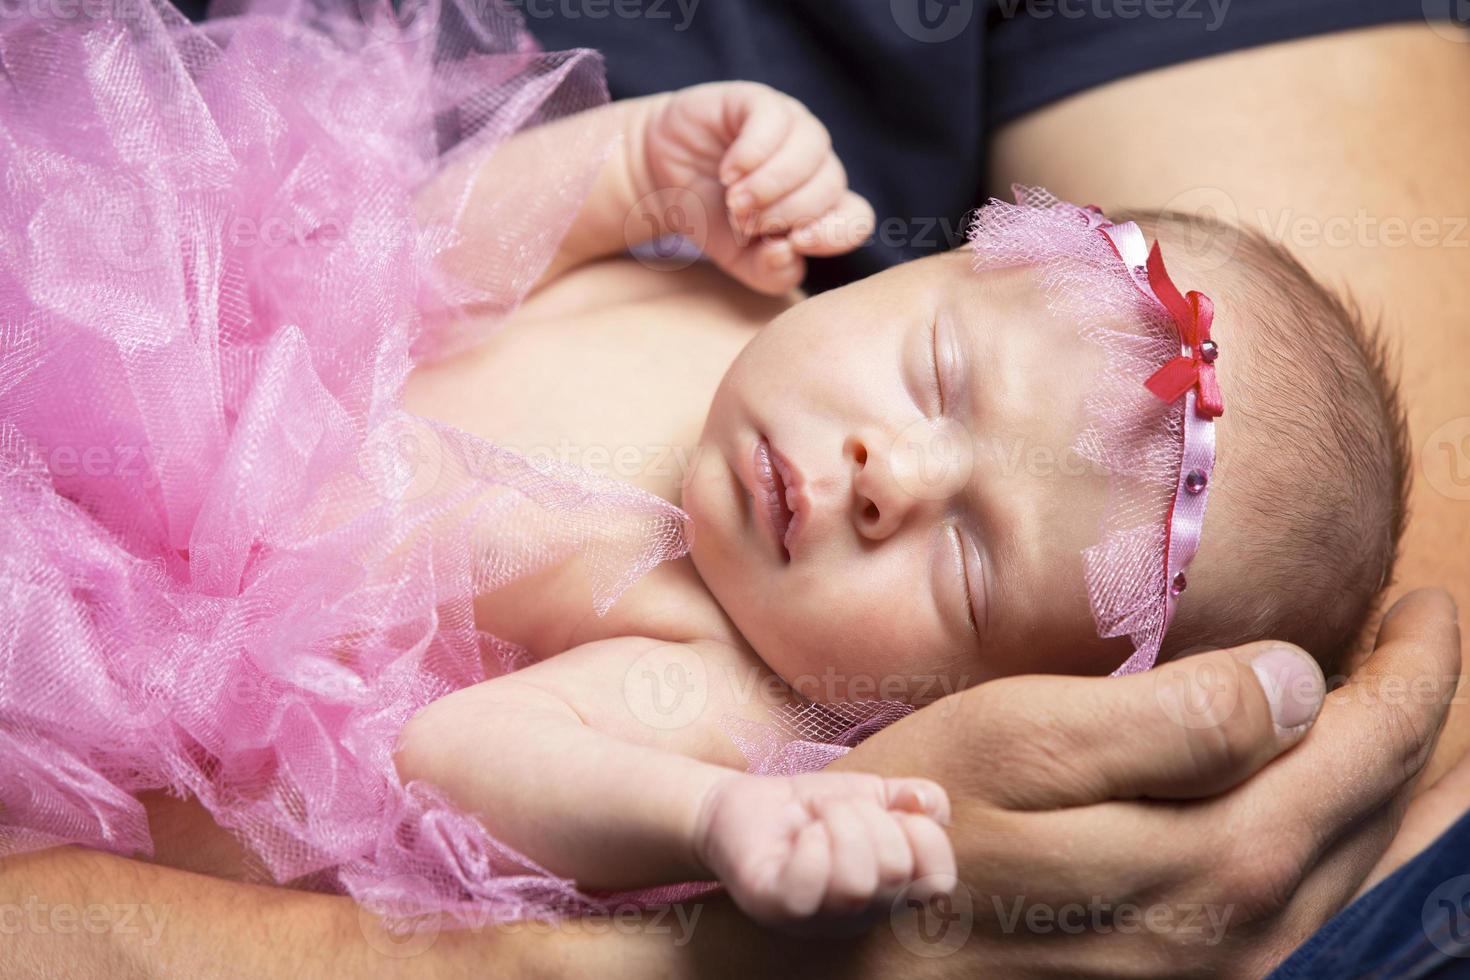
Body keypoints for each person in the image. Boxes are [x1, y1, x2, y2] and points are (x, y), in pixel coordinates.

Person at [3, 7, 1466, 979]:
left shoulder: (729, 687)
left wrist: (707, 821)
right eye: (939, 371)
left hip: (104, 633)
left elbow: (453, 757)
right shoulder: (735, 294)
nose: (887, 471)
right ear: (931, 263)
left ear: (972, 695)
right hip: (128, 312)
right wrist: (625, 174)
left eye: (969, 557)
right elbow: (402, 260)